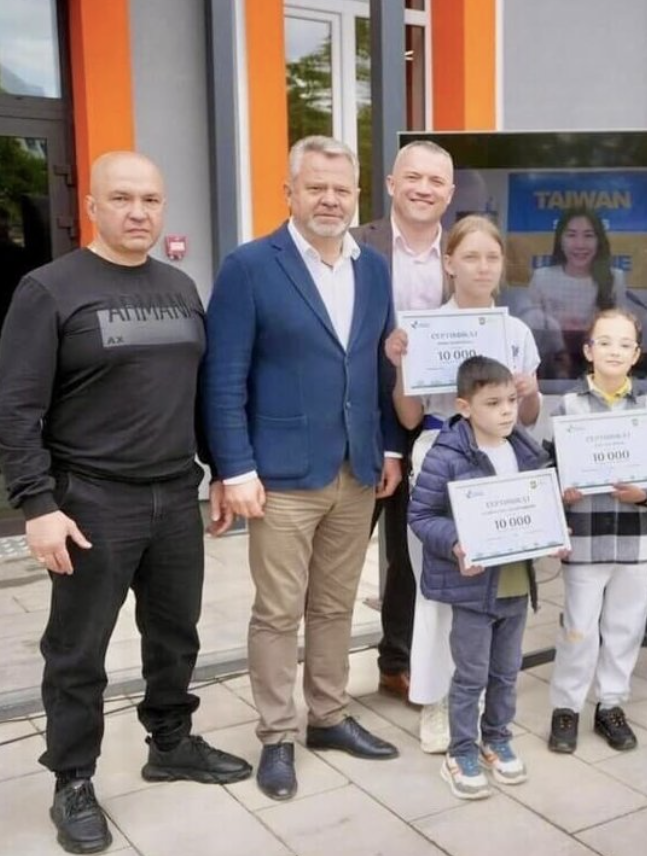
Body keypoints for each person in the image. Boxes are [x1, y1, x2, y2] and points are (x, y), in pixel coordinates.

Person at [0, 151, 251, 854]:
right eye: (122, 198)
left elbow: (199, 392)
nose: (138, 212)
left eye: (150, 199)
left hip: (176, 495)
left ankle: (170, 742)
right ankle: (72, 779)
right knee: (77, 652)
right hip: (90, 503)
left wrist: (221, 472)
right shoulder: (48, 290)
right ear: (94, 207)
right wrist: (37, 504)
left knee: (176, 636)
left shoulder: (179, 287)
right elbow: (16, 407)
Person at [201, 136, 403, 802]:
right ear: (289, 191)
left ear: (356, 197)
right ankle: (277, 736)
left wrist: (389, 451)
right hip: (281, 475)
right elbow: (224, 377)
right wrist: (234, 468)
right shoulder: (251, 266)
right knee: (278, 612)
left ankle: (329, 716)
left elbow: (376, 368)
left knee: (335, 605)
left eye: (341, 189)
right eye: (315, 186)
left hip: (356, 471)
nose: (329, 199)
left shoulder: (372, 269)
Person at [386, 215, 541, 753]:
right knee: (439, 588)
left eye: (491, 257)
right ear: (448, 264)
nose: (481, 267)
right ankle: (433, 703)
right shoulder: (422, 328)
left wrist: (524, 390)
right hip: (440, 454)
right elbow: (408, 418)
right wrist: (400, 364)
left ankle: (482, 701)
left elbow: (531, 413)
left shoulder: (516, 333)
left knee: (493, 583)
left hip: (500, 461)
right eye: (470, 256)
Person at [408, 356, 557, 800]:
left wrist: (554, 534)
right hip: (471, 587)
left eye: (511, 400)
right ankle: (461, 750)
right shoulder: (447, 454)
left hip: (512, 583)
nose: (507, 411)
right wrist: (457, 542)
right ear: (465, 406)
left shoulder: (525, 449)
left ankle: (497, 737)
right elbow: (422, 514)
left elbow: (540, 504)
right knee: (470, 674)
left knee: (506, 670)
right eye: (493, 403)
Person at [352, 139, 456, 703]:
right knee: (341, 556)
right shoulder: (354, 246)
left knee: (413, 553)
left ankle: (397, 662)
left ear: (450, 193)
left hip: (437, 425)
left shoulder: (465, 250)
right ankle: (320, 683)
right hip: (365, 424)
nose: (422, 188)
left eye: (435, 181)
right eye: (412, 177)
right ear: (391, 185)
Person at [547, 308, 647, 754]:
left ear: (636, 355)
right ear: (588, 350)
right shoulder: (569, 407)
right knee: (578, 627)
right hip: (585, 539)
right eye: (605, 342)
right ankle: (566, 707)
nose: (614, 350)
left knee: (625, 627)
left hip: (635, 542)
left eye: (624, 344)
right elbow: (551, 471)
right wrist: (564, 493)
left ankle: (611, 705)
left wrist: (646, 494)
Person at [524, 207, 627, 376]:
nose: (580, 244)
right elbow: (532, 334)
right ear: (560, 240)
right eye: (571, 235)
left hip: (600, 367)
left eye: (588, 236)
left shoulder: (615, 278)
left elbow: (621, 332)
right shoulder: (542, 277)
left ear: (599, 240)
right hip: (551, 366)